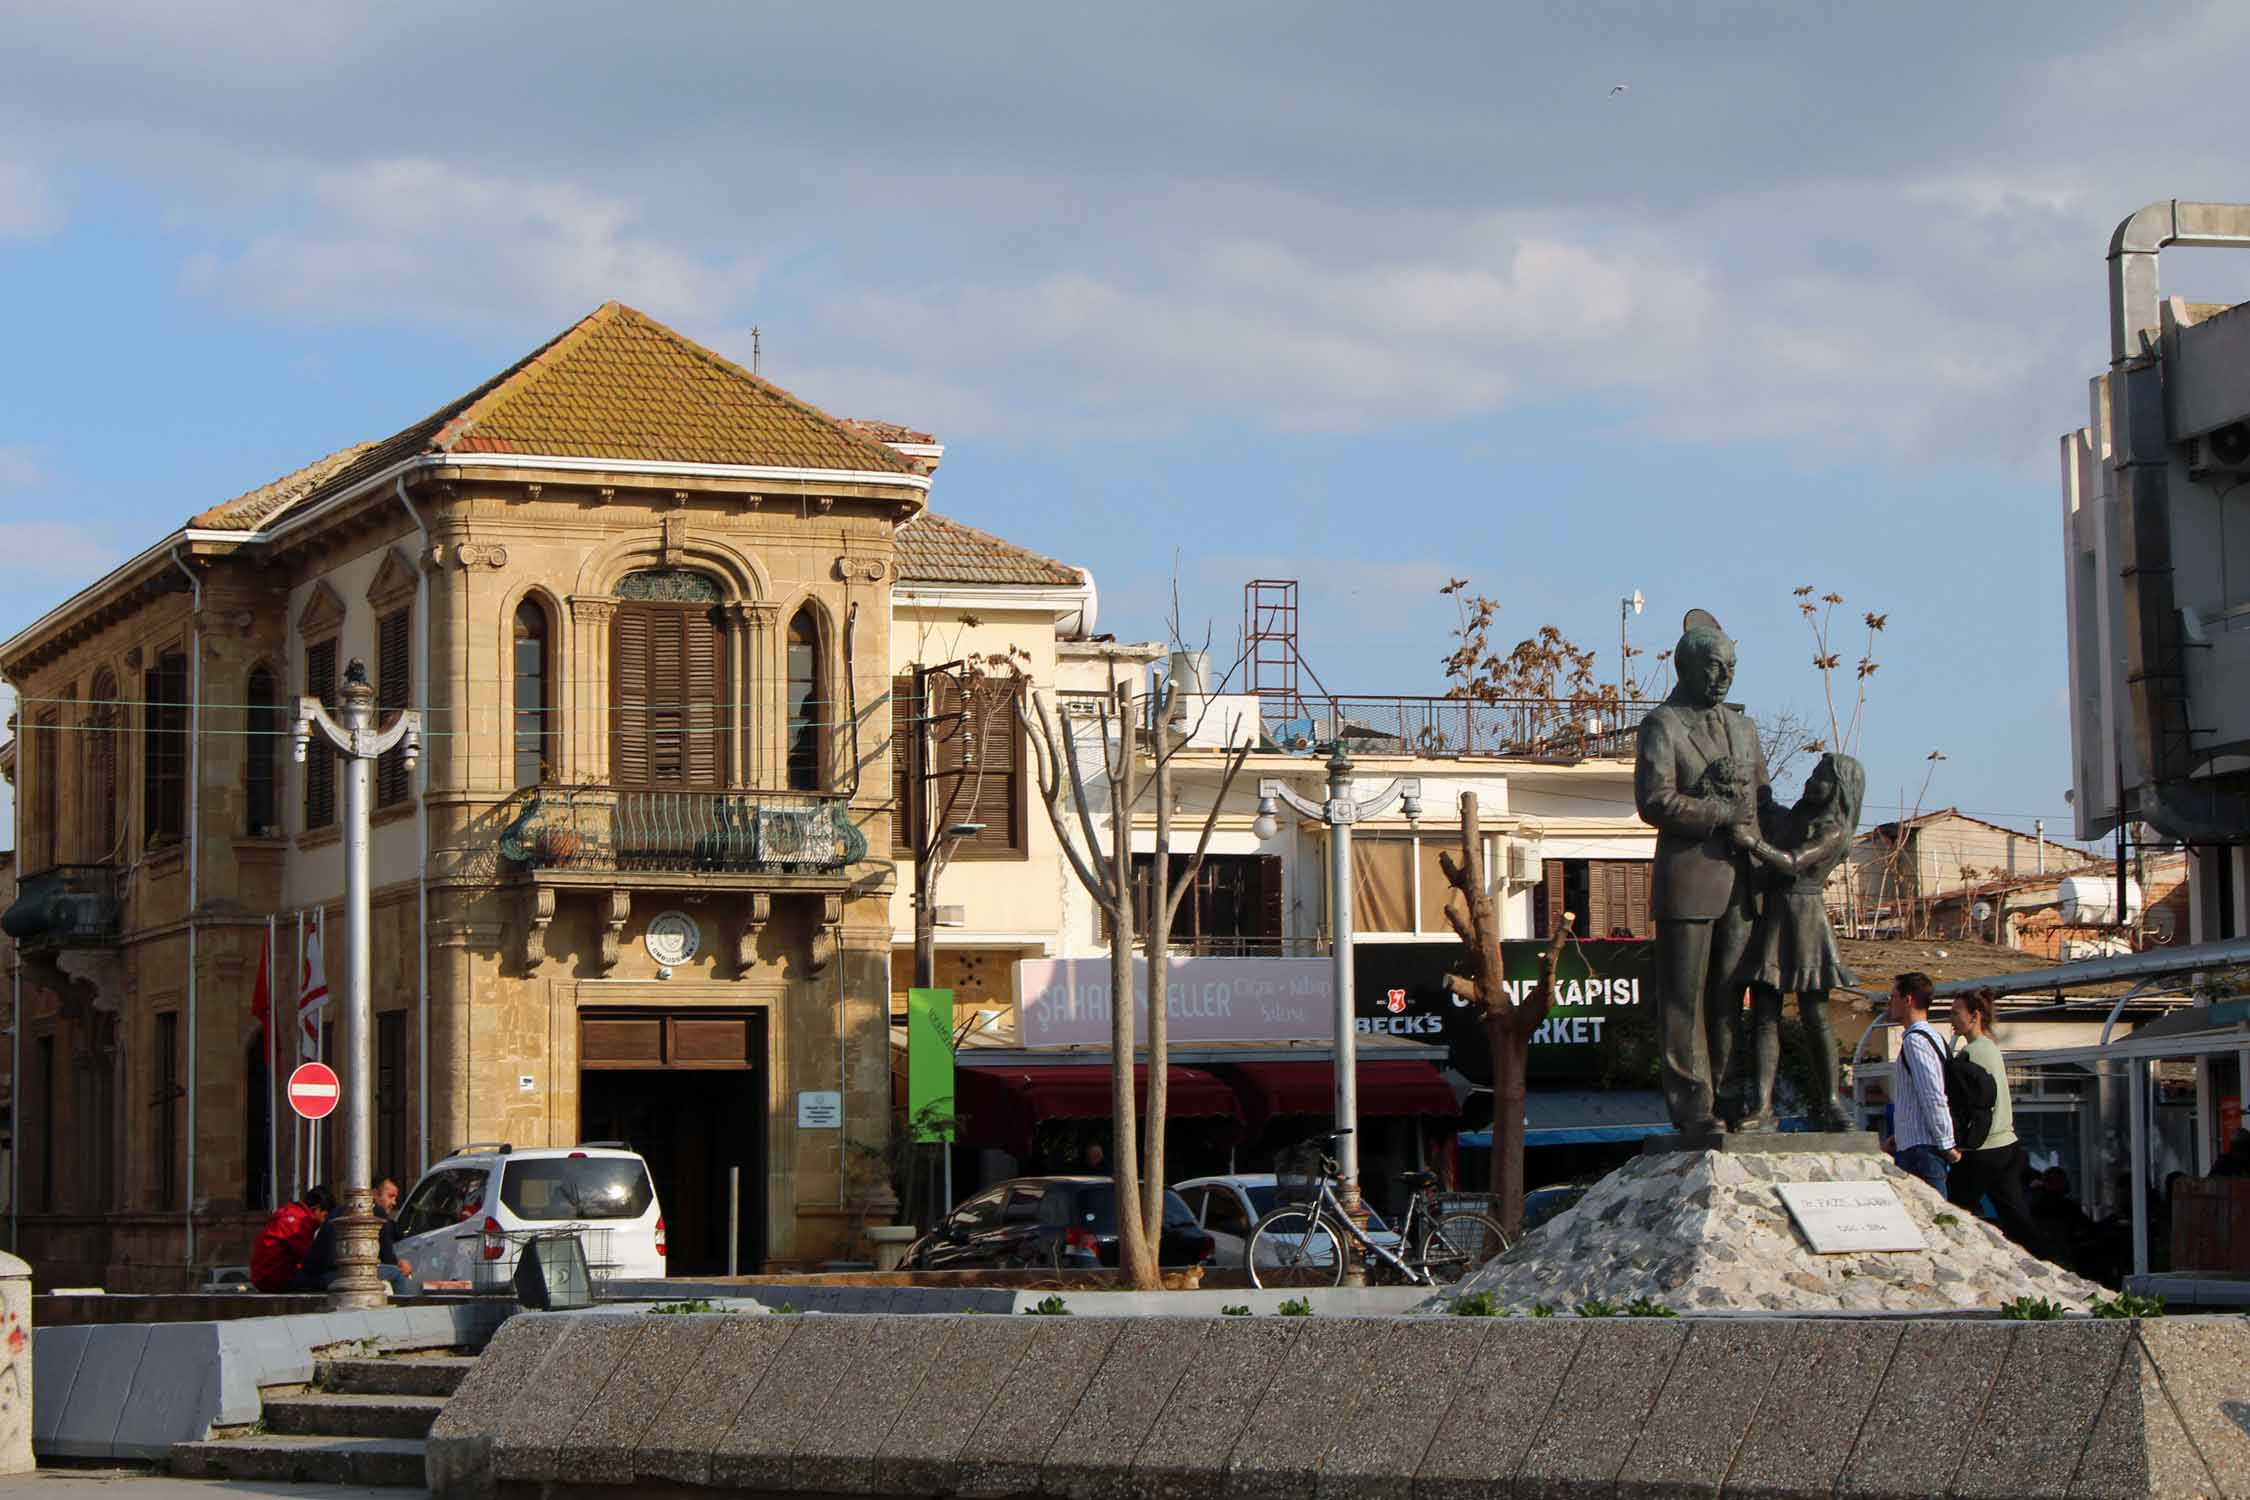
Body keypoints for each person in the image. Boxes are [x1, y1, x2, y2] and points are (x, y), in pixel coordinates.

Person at [1634, 610, 1767, 1133]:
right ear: (1685, 666)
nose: (1724, 676)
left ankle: (1733, 1097)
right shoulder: (1662, 725)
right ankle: (1694, 1106)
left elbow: (1762, 799)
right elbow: (1655, 801)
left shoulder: (1744, 727)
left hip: (1742, 881)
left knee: (1732, 997)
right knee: (1684, 1002)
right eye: (1714, 666)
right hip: (1688, 881)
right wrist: (1718, 814)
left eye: (1730, 666)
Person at [1729, 752, 1864, 1131]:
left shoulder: (1833, 830)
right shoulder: (1795, 819)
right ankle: (1763, 1106)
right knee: (1764, 1015)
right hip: (1774, 918)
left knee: (1815, 1016)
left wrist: (1753, 844)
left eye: (1821, 776)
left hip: (1806, 919)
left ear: (1838, 789)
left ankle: (1833, 1103)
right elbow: (1767, 807)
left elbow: (1792, 861)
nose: (1811, 780)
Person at [1943, 989, 2045, 1255]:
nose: (1951, 1018)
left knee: (1951, 1211)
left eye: (1956, 1013)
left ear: (1975, 1016)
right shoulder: (1989, 1048)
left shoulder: (1973, 1053)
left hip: (1984, 1148)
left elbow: (1970, 1103)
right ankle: (2047, 1261)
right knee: (2017, 1217)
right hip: (2007, 1144)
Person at [1881, 972, 1957, 1194]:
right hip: (1914, 1144)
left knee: (1934, 1220)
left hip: (1923, 1150)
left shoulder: (1916, 1042)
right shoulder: (1933, 1038)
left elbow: (1933, 1094)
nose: (1890, 1002)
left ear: (1908, 999)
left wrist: (1946, 1143)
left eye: (1893, 996)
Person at [294, 1178, 416, 1291]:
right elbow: (388, 1258)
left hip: (322, 1275)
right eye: (390, 1196)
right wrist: (399, 1265)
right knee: (398, 1274)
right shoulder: (376, 1213)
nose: (394, 1202)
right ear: (374, 1194)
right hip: (346, 1273)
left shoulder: (336, 1211)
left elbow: (313, 1256)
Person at [250, 1185, 333, 1293]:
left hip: (264, 1277)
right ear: (316, 1209)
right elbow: (310, 1260)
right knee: (332, 1279)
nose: (324, 1222)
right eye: (325, 1216)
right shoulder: (298, 1222)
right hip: (274, 1279)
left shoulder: (290, 1213)